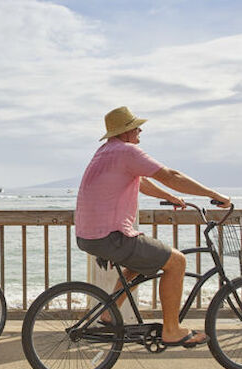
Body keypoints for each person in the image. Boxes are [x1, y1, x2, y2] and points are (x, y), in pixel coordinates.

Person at [75, 106, 230, 348]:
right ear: (125, 132)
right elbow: (170, 174)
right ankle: (171, 330)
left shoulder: (105, 152)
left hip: (89, 235)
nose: (140, 131)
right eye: (136, 127)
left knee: (141, 264)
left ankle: (108, 313)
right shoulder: (127, 151)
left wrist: (171, 198)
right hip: (112, 235)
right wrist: (214, 194)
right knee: (177, 262)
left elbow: (142, 182)